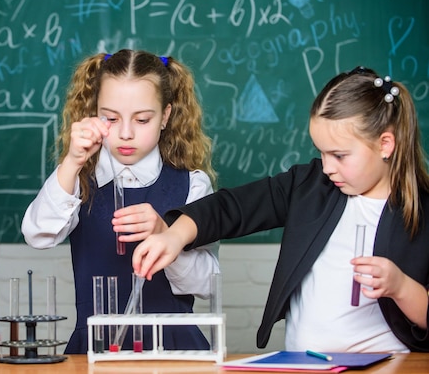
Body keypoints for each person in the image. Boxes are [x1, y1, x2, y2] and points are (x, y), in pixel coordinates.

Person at [132, 66, 429, 353]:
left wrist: (400, 286)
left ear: (385, 144)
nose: (327, 167)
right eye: (321, 153)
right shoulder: (311, 186)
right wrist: (174, 236)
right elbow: (234, 207)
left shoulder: (422, 214)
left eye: (339, 155)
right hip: (305, 363)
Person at [22, 49, 220, 353]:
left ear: (166, 116)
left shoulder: (192, 184)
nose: (125, 133)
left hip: (174, 349)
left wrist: (166, 236)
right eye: (111, 118)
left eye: (142, 119)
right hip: (97, 348)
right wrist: (72, 162)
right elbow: (38, 234)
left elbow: (206, 285)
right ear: (93, 113)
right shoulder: (77, 180)